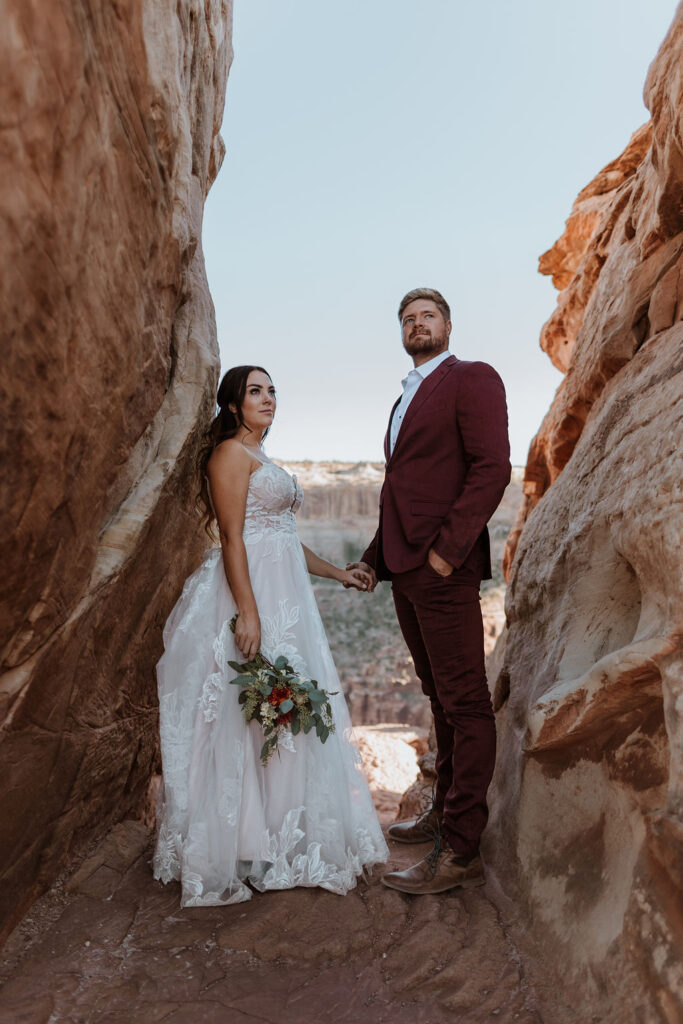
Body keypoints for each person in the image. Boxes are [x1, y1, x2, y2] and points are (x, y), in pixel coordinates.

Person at [153, 365, 388, 906]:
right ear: (233, 405)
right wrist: (248, 613)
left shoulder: (264, 459)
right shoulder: (230, 455)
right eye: (255, 391)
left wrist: (337, 573)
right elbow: (234, 540)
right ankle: (244, 844)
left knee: (286, 713)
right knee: (252, 713)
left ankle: (282, 838)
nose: (268, 399)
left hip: (288, 599)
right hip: (254, 595)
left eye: (272, 390)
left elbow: (283, 537)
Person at [348, 287, 511, 895]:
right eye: (409, 319)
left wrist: (446, 553)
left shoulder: (471, 377)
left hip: (442, 568)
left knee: (466, 701)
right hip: (406, 569)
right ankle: (444, 811)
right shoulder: (403, 397)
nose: (418, 325)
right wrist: (373, 559)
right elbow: (401, 493)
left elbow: (493, 466)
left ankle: (462, 850)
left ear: (447, 324)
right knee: (438, 696)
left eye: (428, 316)